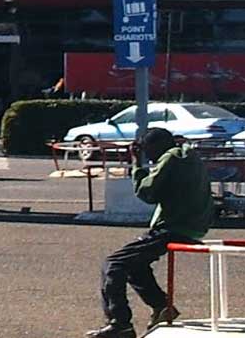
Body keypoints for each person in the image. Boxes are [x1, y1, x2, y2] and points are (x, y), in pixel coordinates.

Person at [86, 128, 213, 338]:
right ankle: (161, 306)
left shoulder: (170, 158)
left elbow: (146, 192)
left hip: (173, 227)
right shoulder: (189, 156)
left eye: (147, 150)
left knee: (113, 265)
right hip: (193, 225)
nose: (148, 155)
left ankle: (119, 324)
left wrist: (137, 164)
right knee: (135, 265)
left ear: (156, 145)